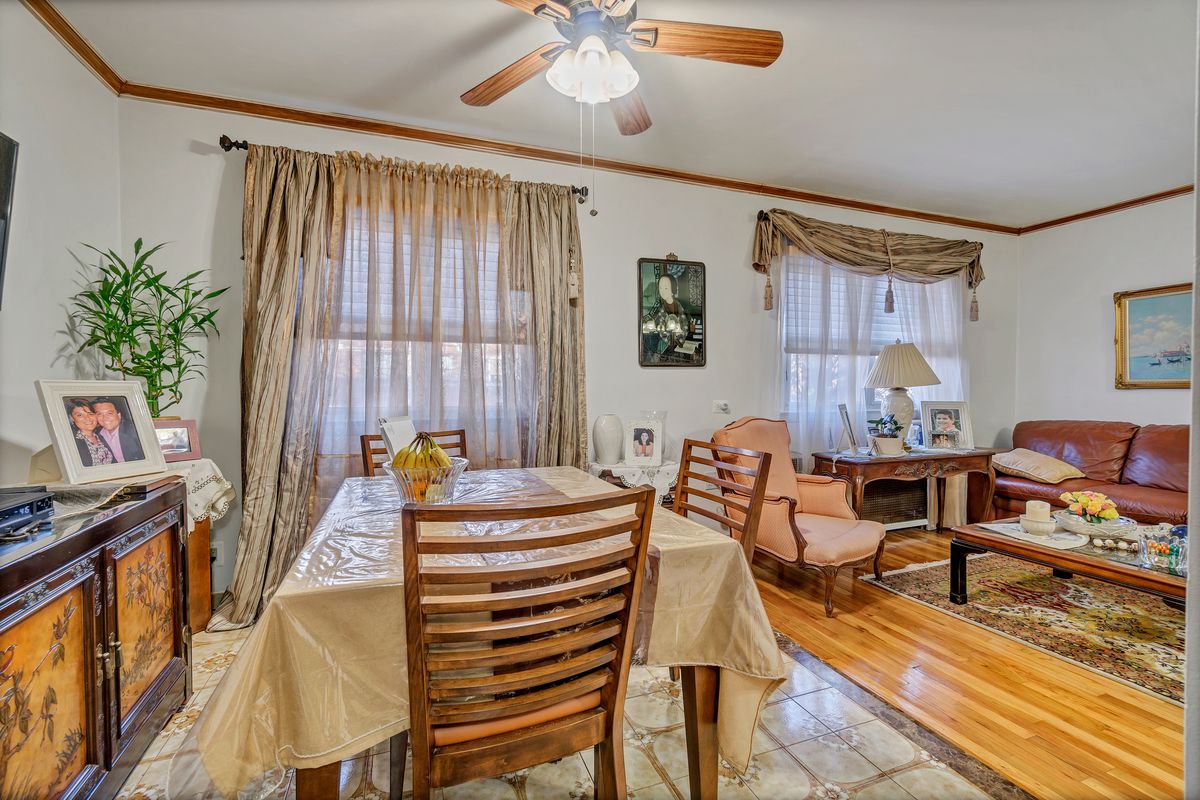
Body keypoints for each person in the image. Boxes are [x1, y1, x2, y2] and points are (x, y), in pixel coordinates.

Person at [91, 397, 145, 462]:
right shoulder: (97, 435)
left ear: (119, 415)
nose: (105, 417)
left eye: (109, 413)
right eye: (99, 414)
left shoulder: (135, 430)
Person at [67, 399, 114, 468]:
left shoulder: (102, 436)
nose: (87, 418)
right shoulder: (70, 442)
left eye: (90, 413)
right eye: (80, 415)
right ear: (72, 419)